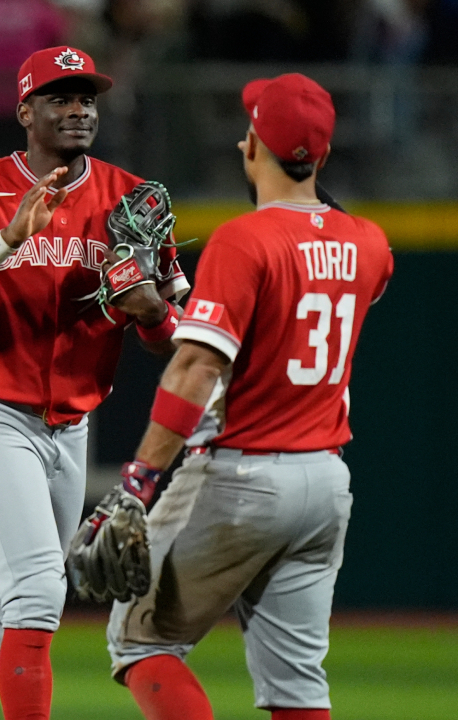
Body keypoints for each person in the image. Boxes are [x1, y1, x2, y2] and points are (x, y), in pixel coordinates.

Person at [0, 46, 189, 720]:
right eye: (59, 97)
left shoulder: (129, 197)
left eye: (86, 98)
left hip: (71, 427)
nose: (78, 110)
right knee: (38, 593)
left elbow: (180, 340)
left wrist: (152, 314)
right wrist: (5, 240)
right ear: (25, 111)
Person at [103, 73, 393, 720]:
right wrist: (168, 315)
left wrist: (138, 481)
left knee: (141, 640)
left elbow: (197, 367)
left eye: (248, 131)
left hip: (241, 478)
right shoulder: (371, 243)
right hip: (324, 485)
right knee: (298, 687)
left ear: (254, 145)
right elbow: (277, 329)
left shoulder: (242, 239)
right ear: (323, 155)